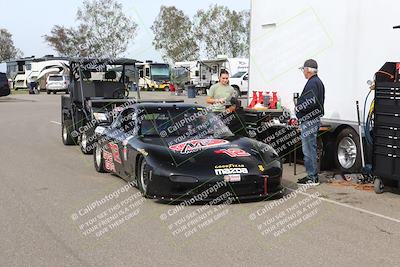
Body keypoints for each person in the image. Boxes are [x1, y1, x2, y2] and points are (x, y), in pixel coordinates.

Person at [296, 59, 325, 185]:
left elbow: (310, 102)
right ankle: (311, 175)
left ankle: (312, 177)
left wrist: (298, 107)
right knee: (310, 148)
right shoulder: (317, 82)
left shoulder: (313, 83)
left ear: (308, 70)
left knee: (308, 149)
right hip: (312, 119)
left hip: (309, 120)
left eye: (303, 69)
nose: (303, 72)